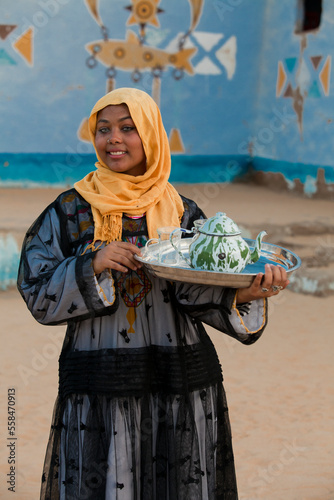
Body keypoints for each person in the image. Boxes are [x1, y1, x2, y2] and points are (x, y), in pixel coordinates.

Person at [17, 87, 289, 500]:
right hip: (101, 377)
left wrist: (245, 292)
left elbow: (204, 287)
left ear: (152, 135)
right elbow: (36, 287)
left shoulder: (183, 213)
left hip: (178, 374)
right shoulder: (71, 209)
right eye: (103, 128)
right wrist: (91, 264)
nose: (114, 139)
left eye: (129, 128)